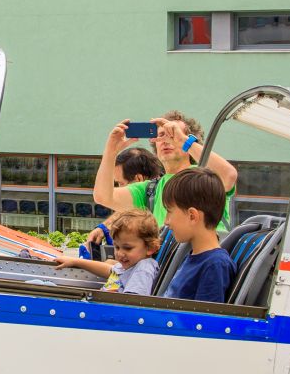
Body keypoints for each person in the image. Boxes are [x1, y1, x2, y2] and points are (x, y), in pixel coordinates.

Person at [93, 111, 238, 228]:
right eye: (161, 135)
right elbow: (102, 197)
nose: (166, 141)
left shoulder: (204, 175)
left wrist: (183, 141)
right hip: (170, 256)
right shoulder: (150, 190)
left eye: (172, 135)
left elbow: (229, 176)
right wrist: (111, 151)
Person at [159, 168, 235, 303]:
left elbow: (204, 315)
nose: (166, 221)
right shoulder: (196, 256)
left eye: (169, 212)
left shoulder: (215, 265)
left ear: (192, 216)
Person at [54, 208, 160, 294]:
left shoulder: (143, 269)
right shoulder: (130, 265)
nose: (119, 253)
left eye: (128, 248)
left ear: (150, 248)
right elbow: (108, 269)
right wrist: (75, 261)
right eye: (117, 247)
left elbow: (133, 303)